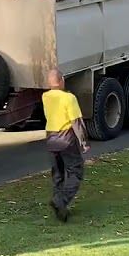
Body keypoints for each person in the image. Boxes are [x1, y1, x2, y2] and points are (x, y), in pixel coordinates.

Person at [42, 69, 89, 222]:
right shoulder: (69, 98)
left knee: (58, 174)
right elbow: (76, 122)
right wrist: (84, 142)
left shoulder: (45, 97)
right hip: (66, 140)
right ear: (61, 80)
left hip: (51, 140)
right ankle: (61, 201)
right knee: (75, 171)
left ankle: (59, 205)